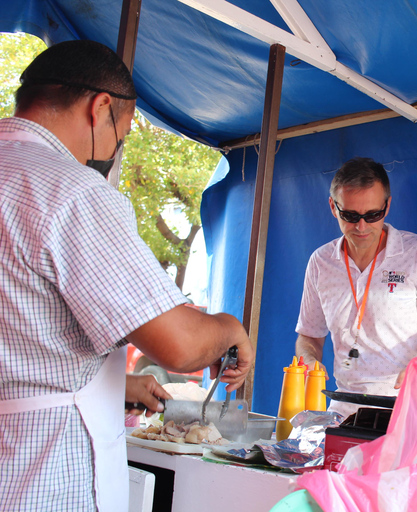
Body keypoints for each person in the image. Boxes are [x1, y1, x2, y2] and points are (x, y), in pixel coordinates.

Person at [0, 40, 255, 512]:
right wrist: (229, 329)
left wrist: (118, 385)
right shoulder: (71, 190)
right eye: (123, 133)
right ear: (101, 108)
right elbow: (180, 344)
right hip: (43, 477)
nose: (117, 148)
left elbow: (25, 341)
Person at [295, 157, 417, 418]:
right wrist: (309, 360)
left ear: (388, 205)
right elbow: (309, 336)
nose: (362, 226)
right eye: (350, 215)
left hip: (409, 408)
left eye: (373, 215)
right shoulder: (320, 261)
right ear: (333, 207)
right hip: (344, 410)